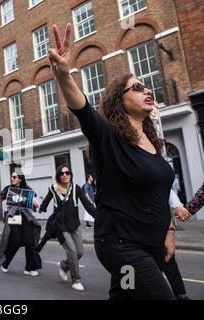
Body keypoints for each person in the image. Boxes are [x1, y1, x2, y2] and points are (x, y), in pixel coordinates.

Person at [48, 23, 176, 299]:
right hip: (123, 247)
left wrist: (168, 230)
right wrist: (63, 76)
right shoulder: (108, 137)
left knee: (126, 295)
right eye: (137, 87)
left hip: (150, 246)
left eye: (146, 86)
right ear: (120, 100)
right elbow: (83, 110)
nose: (146, 90)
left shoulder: (153, 144)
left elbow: (156, 193)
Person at [38, 165, 96, 291]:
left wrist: (99, 217)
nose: (65, 175)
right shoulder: (53, 189)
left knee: (80, 252)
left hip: (75, 225)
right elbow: (46, 202)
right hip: (61, 226)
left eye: (67, 173)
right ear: (58, 176)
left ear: (70, 174)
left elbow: (88, 205)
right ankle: (76, 279)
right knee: (72, 251)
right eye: (62, 173)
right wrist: (40, 208)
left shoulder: (76, 188)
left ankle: (64, 265)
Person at [0, 171, 41, 277]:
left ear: (20, 178)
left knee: (29, 241)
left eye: (14, 177)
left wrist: (39, 206)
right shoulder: (8, 189)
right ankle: (5, 263)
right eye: (11, 176)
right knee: (15, 241)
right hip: (13, 217)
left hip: (25, 217)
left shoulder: (27, 189)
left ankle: (29, 267)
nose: (12, 178)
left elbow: (34, 200)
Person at [165, 190, 191, 300]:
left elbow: (165, 188)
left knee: (168, 259)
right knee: (127, 268)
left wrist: (177, 205)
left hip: (155, 231)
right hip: (123, 237)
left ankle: (180, 294)